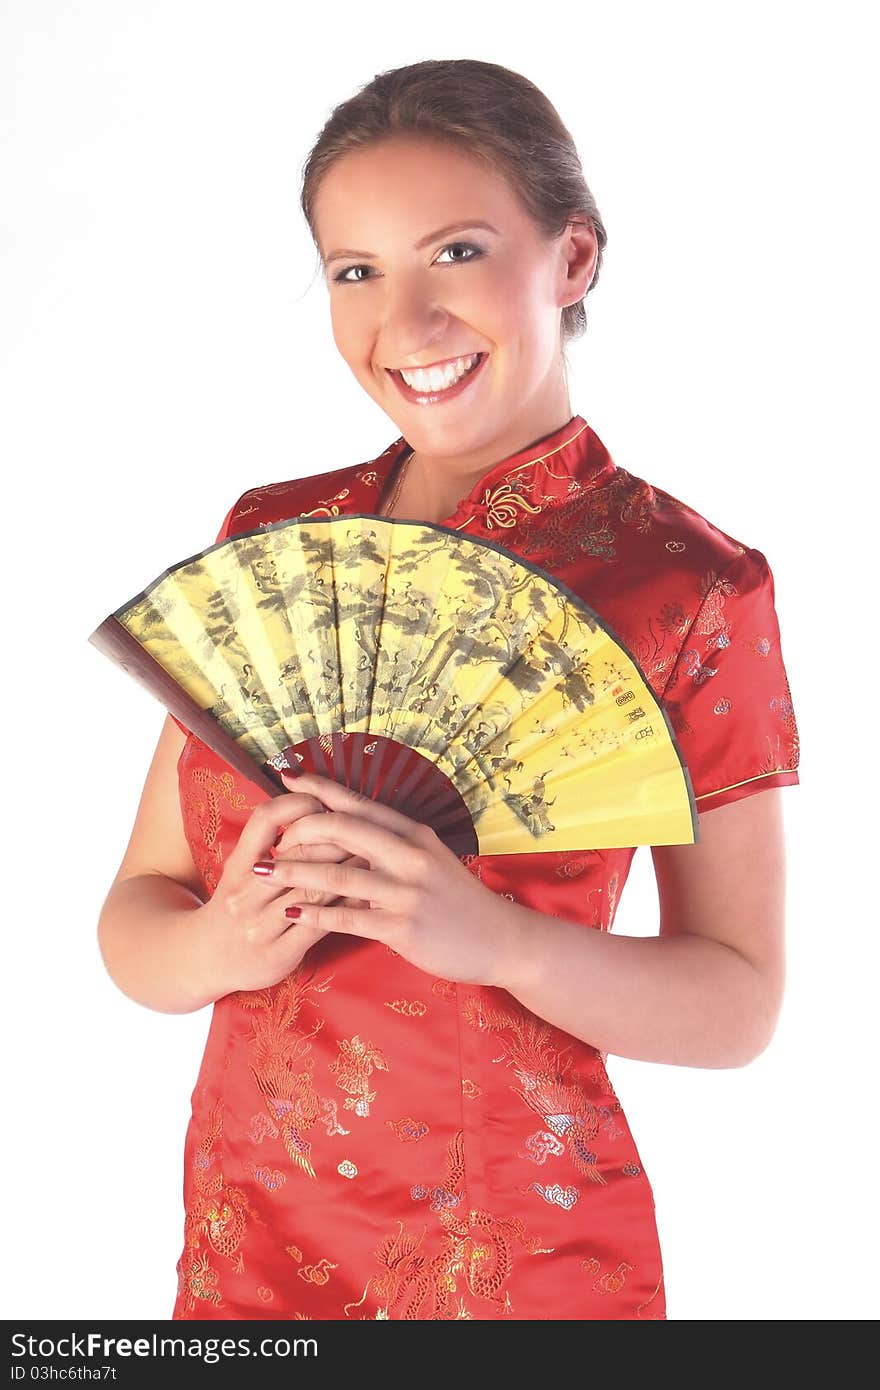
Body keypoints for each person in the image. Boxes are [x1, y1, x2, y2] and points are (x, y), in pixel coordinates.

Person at [97, 58, 800, 1321]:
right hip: (246, 1234)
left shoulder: (688, 586)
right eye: (355, 270)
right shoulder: (272, 542)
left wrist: (504, 943)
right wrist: (220, 942)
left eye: (458, 254)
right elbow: (138, 919)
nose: (403, 323)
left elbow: (738, 1001)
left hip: (512, 1255)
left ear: (572, 258)